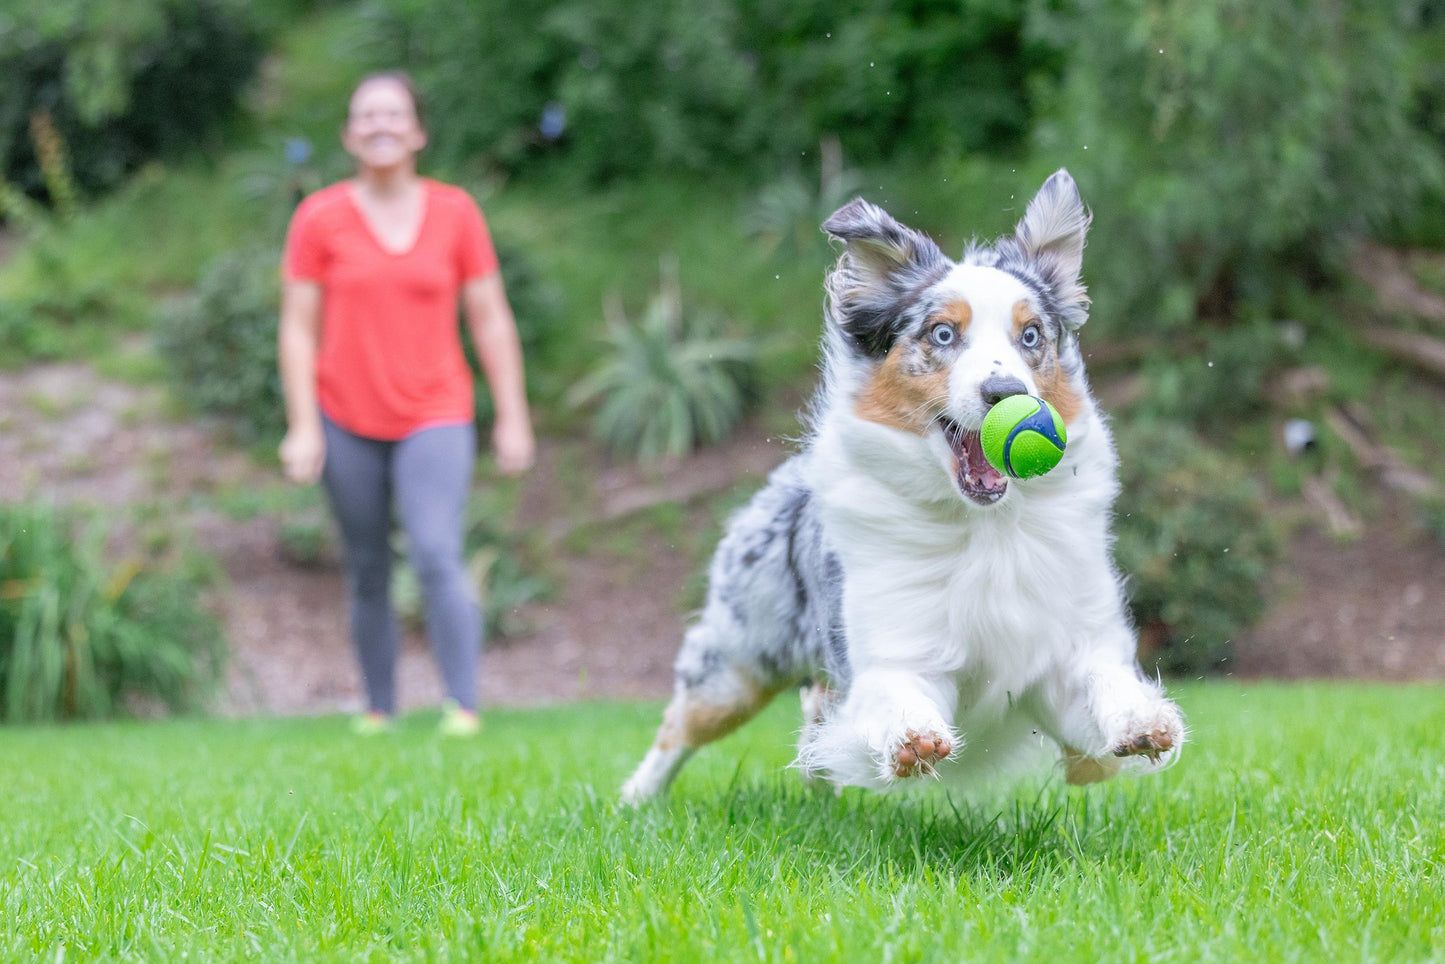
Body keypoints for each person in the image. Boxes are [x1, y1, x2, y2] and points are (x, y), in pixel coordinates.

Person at [277, 71, 535, 736]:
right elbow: (298, 328)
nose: (380, 124)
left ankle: (462, 706)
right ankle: (378, 709)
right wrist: (303, 427)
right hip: (343, 416)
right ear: (348, 134)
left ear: (417, 131)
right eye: (366, 115)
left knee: (433, 549)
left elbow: (490, 318)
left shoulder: (455, 213)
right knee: (366, 564)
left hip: (436, 411)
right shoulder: (319, 218)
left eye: (393, 114)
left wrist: (513, 414)